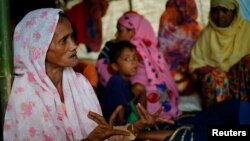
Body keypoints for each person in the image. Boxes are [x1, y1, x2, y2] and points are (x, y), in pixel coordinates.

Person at [3, 8, 174, 141]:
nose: (74, 45)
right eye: (64, 41)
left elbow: (103, 136)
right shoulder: (25, 95)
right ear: (38, 50)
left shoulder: (80, 84)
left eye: (72, 37)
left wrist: (136, 127)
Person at [96, 11, 181, 119]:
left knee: (154, 91)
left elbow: (159, 75)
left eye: (120, 31)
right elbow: (104, 69)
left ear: (132, 31)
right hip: (127, 90)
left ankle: (149, 119)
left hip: (152, 90)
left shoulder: (148, 49)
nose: (116, 34)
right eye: (128, 59)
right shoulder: (114, 46)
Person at [189, 0, 250, 109]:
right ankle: (219, 118)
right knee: (216, 79)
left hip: (241, 80)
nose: (219, 15)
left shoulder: (247, 30)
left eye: (224, 10)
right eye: (215, 10)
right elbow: (196, 64)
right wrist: (207, 69)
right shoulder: (207, 34)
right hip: (219, 81)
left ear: (234, 11)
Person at [158, 0, 202, 96]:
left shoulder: (167, 14)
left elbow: (162, 49)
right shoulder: (195, 30)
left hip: (167, 76)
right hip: (183, 77)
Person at [99, 40, 141, 125]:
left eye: (135, 57)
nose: (134, 62)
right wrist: (122, 133)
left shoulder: (126, 82)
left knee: (140, 88)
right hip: (113, 127)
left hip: (125, 121)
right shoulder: (116, 81)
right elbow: (119, 110)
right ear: (115, 66)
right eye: (127, 59)